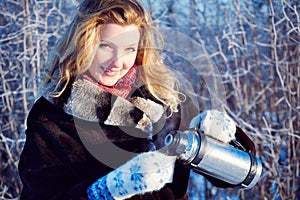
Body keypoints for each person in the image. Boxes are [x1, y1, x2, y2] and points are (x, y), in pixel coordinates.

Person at [18, 0, 256, 199]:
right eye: (105, 46)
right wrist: (104, 191)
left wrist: (221, 142)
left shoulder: (164, 97)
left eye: (129, 49)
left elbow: (235, 177)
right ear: (83, 43)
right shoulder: (52, 115)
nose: (117, 62)